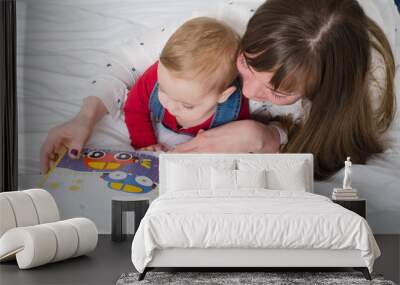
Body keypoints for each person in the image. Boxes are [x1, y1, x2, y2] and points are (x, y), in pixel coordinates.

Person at [40, 0, 396, 180]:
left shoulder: (357, 91)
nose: (250, 90)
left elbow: (334, 150)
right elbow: (125, 64)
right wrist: (85, 118)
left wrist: (268, 136)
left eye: (279, 93)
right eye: (248, 64)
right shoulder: (225, 27)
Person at [124, 17, 249, 152]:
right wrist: (146, 144)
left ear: (223, 95)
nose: (171, 107)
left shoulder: (234, 113)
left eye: (187, 105)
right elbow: (134, 108)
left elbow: (238, 144)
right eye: (163, 90)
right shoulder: (159, 76)